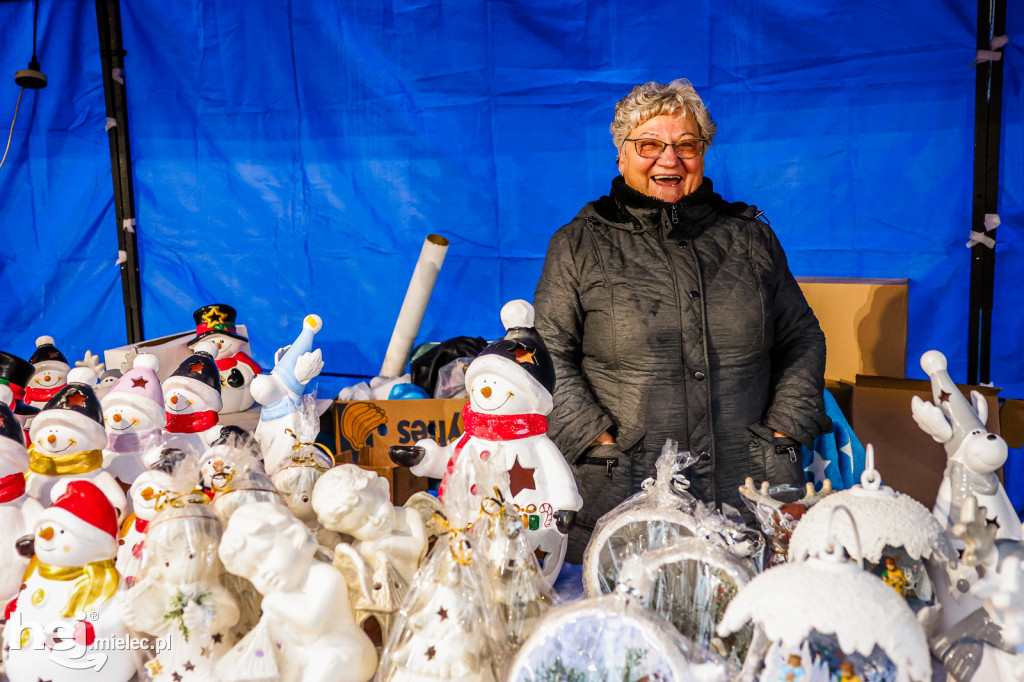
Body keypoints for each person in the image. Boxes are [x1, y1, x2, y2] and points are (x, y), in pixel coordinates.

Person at [533, 79, 831, 562]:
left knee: (758, 604)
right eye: (649, 145)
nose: (669, 160)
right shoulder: (578, 245)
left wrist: (785, 432)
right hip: (627, 492)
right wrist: (596, 441)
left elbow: (802, 337)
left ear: (703, 153)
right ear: (622, 155)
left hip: (750, 489)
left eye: (686, 145)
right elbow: (548, 355)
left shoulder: (751, 239)